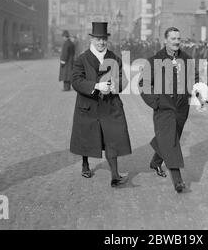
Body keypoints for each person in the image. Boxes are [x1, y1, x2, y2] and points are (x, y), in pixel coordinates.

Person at [70, 22, 132, 187]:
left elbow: (123, 79)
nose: (101, 43)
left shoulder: (114, 58)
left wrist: (115, 86)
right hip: (88, 104)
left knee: (112, 137)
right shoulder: (82, 59)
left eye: (104, 39)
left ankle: (115, 175)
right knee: (86, 136)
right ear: (91, 39)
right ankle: (85, 164)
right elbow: (76, 81)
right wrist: (96, 86)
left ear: (107, 40)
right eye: (98, 39)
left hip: (110, 105)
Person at [139, 27, 199, 193]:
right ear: (165, 40)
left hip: (181, 108)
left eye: (178, 39)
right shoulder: (154, 60)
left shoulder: (187, 59)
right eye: (173, 38)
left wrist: (199, 92)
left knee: (170, 138)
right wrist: (155, 102)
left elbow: (194, 79)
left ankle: (156, 161)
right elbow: (144, 84)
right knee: (171, 141)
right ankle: (178, 180)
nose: (176, 42)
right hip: (163, 108)